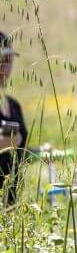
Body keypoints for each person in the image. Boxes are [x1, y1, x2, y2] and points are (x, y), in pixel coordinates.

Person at [0, 31, 29, 204]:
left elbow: (18, 151)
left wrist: (39, 152)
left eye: (8, 60)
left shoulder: (13, 105)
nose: (4, 67)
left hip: (11, 209)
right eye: (1, 60)